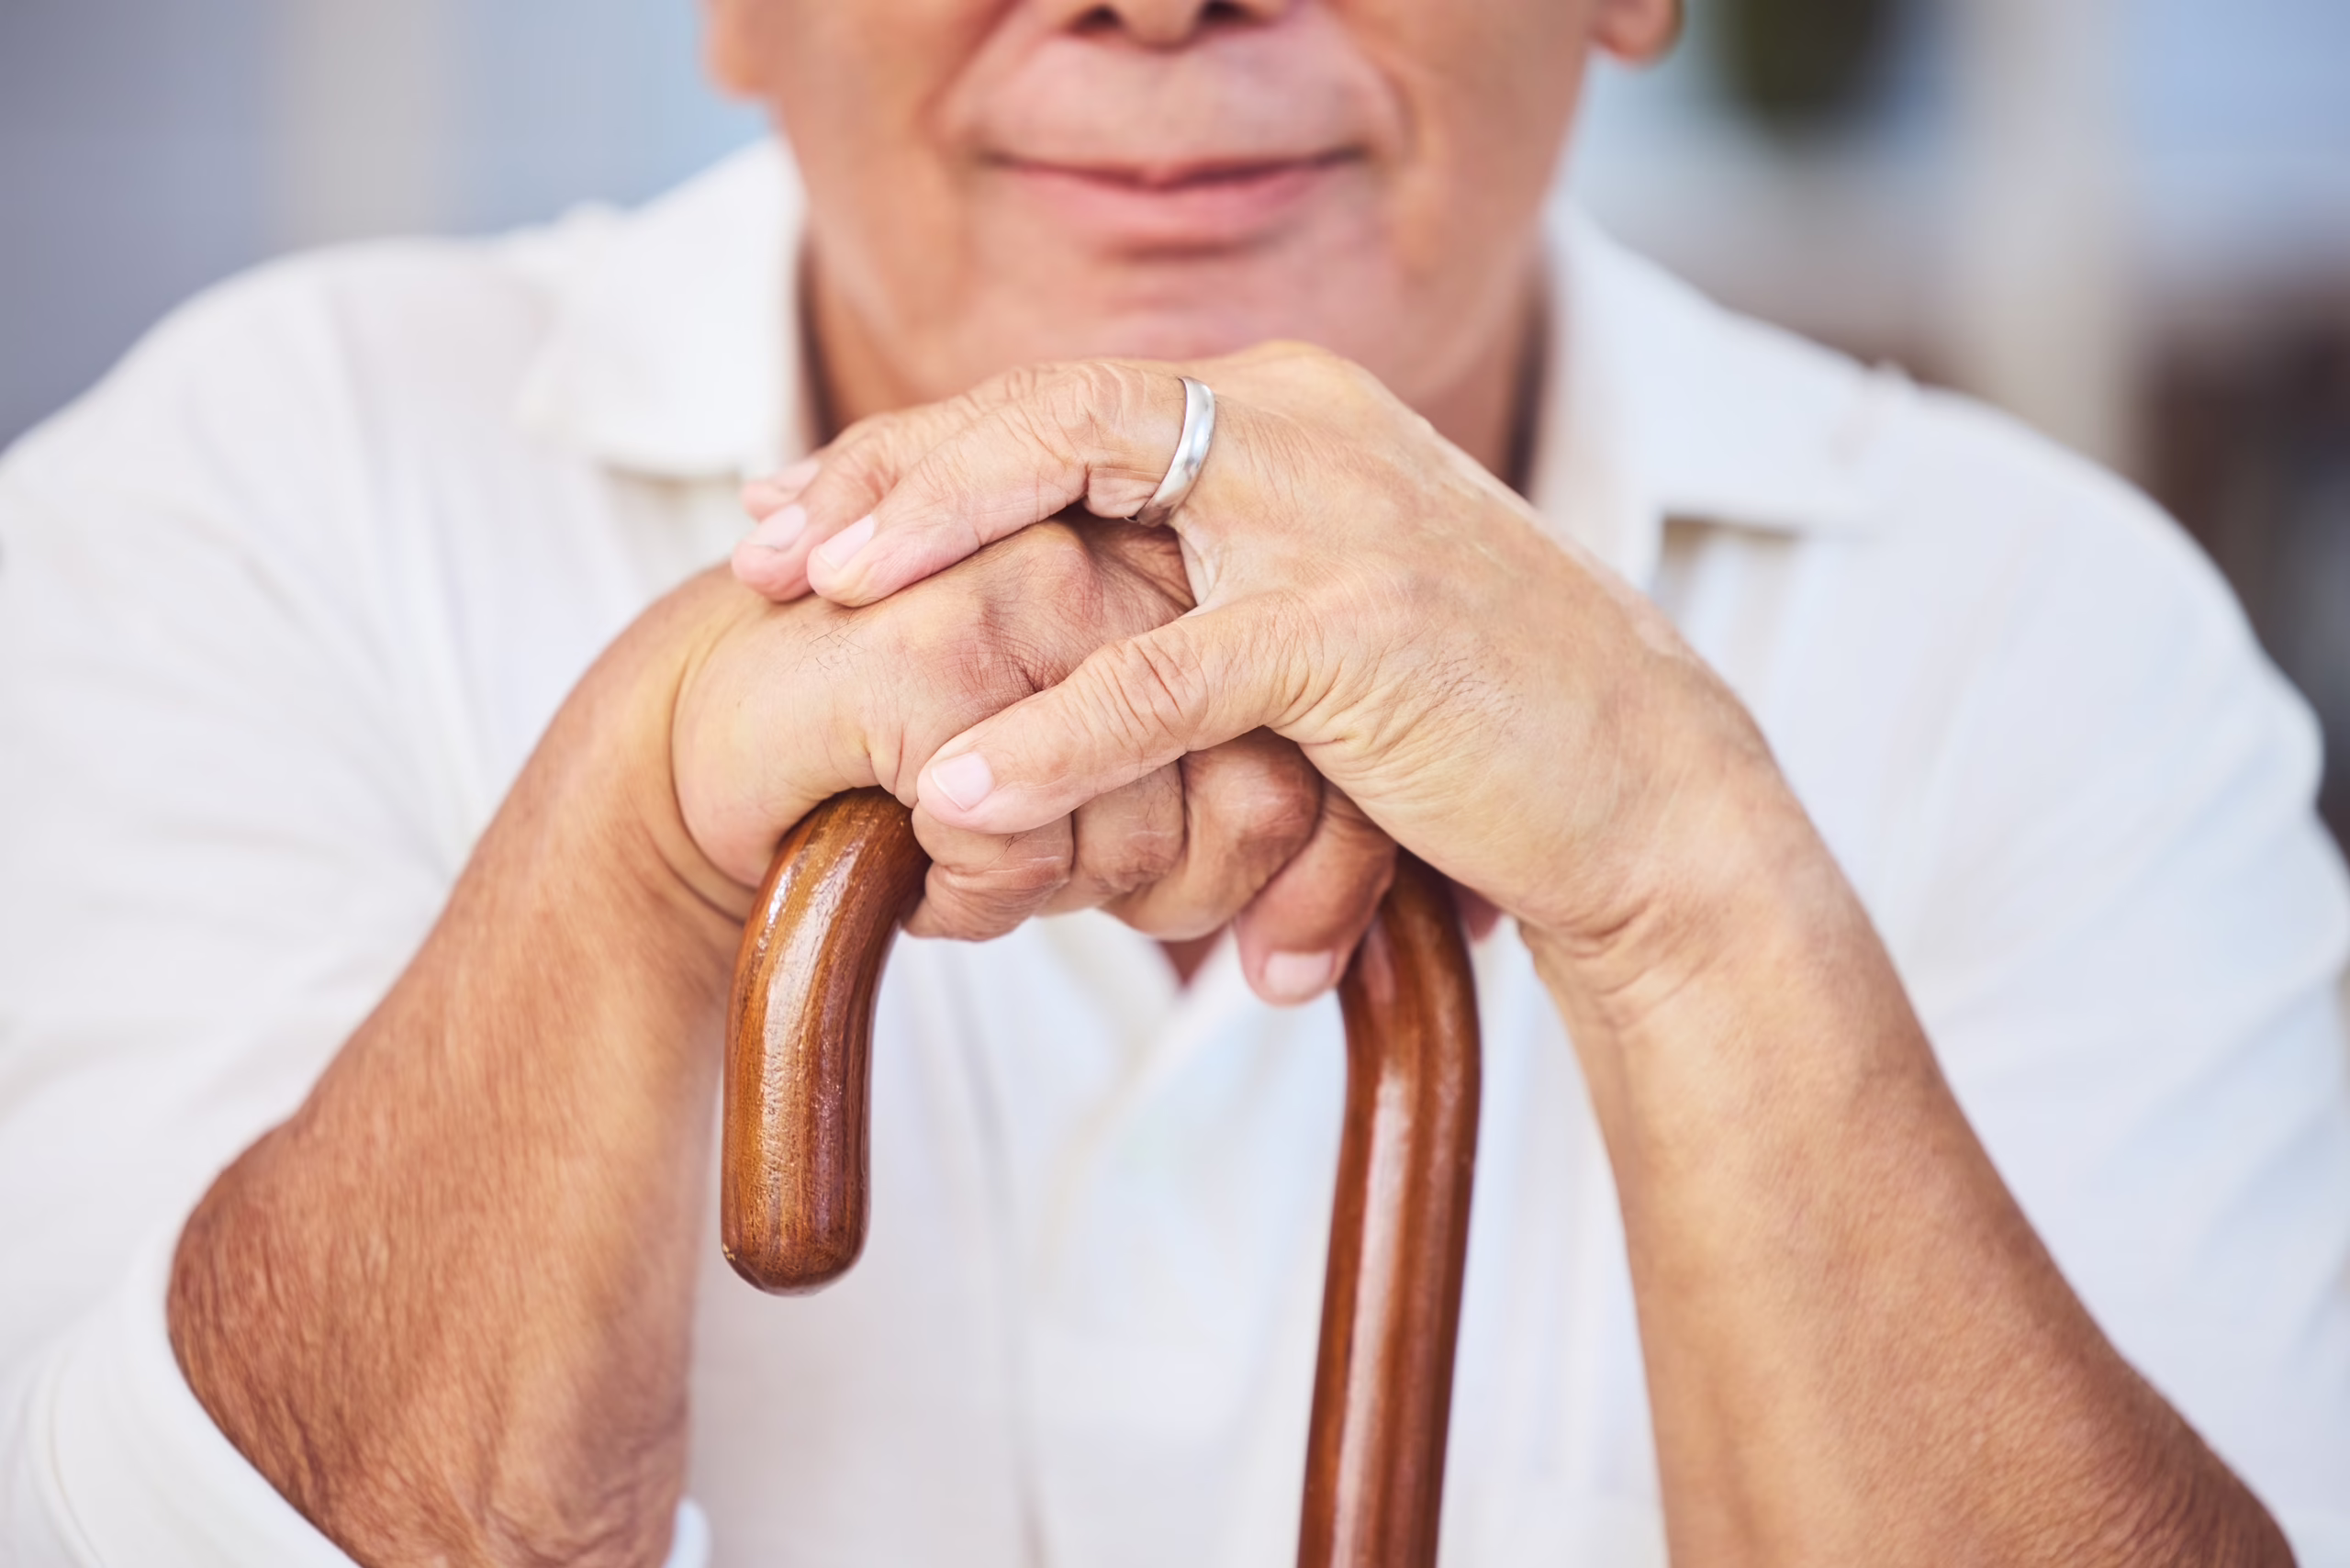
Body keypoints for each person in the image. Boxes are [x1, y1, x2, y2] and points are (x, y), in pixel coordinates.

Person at [1, 0, 2344, 1562]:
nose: (1151, 2)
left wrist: (1689, 888)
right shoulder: (250, 501)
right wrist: (625, 855)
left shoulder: (2055, 646)